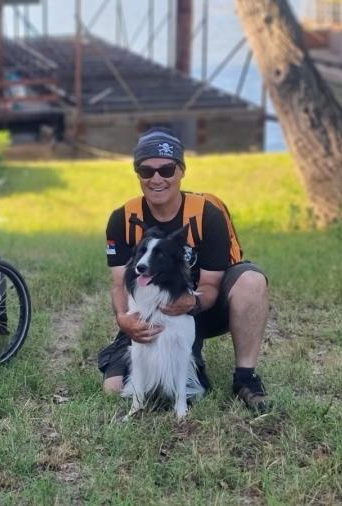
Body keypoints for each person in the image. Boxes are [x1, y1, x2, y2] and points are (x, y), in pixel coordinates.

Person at [97, 127, 270, 412]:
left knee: (251, 279)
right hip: (148, 312)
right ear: (138, 174)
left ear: (181, 171)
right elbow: (119, 284)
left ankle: (245, 378)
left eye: (167, 170)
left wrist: (191, 303)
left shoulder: (207, 213)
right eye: (146, 170)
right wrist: (123, 319)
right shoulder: (122, 218)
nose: (156, 179)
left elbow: (213, 285)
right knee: (113, 389)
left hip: (200, 309)